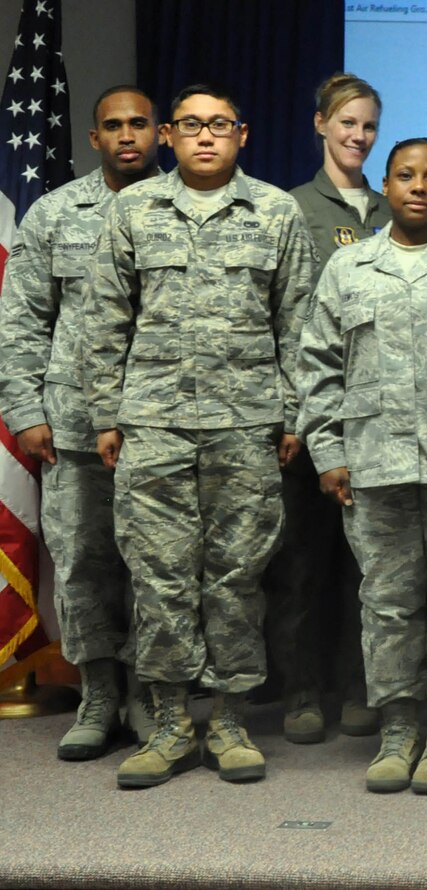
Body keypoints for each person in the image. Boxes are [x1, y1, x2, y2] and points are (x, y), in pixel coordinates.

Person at [87, 83, 316, 788]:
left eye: (220, 125)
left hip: (245, 426)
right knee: (158, 578)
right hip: (153, 425)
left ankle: (230, 721)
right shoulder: (132, 210)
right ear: (168, 137)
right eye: (191, 125)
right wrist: (105, 412)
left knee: (236, 579)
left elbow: (298, 325)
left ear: (242, 135)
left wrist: (292, 415)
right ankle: (167, 724)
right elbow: (105, 319)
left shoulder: (275, 210)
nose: (206, 137)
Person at [297, 137, 427, 795]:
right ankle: (398, 728)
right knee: (386, 601)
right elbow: (317, 365)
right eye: (406, 176)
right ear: (386, 185)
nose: (419, 187)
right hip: (372, 464)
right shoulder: (349, 267)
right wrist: (328, 452)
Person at [0, 85, 160, 761]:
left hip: (163, 424)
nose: (127, 135)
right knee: (86, 565)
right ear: (94, 139)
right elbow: (23, 319)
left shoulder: (188, 209)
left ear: (161, 132)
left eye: (139, 124)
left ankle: (152, 696)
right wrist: (25, 410)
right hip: (71, 426)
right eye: (113, 126)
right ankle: (98, 695)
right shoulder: (54, 214)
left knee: (160, 567)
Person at [273, 72, 392, 745]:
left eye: (369, 126)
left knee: (366, 568)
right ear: (321, 125)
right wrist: (294, 418)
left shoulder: (389, 206)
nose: (359, 137)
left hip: (375, 422)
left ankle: (358, 686)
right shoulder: (290, 209)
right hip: (311, 420)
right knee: (303, 565)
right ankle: (301, 691)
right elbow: (285, 322)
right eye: (348, 124)